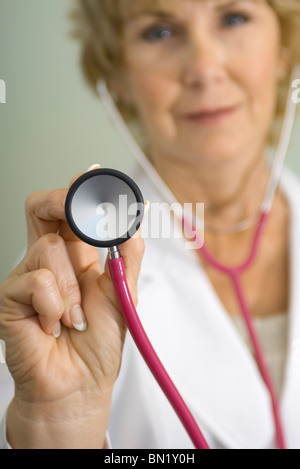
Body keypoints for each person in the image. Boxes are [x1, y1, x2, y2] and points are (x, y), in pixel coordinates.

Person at [1, 0, 300, 449]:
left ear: (283, 50)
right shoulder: (62, 284)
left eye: (233, 18)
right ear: (118, 75)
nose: (203, 68)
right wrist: (56, 423)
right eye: (159, 32)